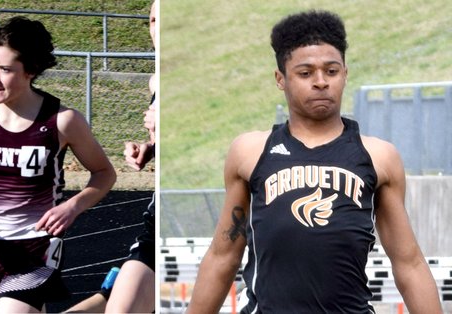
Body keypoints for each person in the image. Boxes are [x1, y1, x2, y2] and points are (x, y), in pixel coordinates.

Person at [186, 10, 442, 313]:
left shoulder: (379, 157)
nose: (321, 82)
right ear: (281, 79)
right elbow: (222, 256)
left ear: (345, 73)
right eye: (305, 73)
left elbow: (409, 263)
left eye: (331, 71)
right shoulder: (250, 152)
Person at [0, 16, 117, 313]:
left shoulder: (63, 121)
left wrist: (74, 206)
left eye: (4, 70)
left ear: (30, 70)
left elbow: (105, 173)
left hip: (37, 248)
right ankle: (107, 301)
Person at [64, 1, 157, 313]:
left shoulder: (204, 74)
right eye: (153, 20)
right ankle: (110, 293)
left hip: (209, 216)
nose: (158, 29)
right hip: (161, 216)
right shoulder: (157, 79)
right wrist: (151, 147)